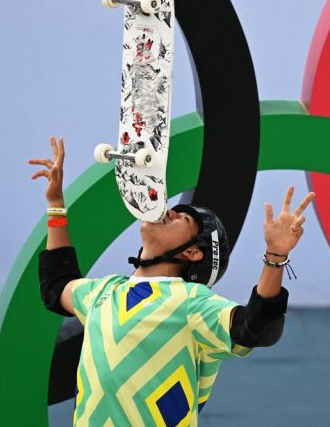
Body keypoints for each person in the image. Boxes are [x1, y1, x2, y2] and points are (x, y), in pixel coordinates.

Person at [30, 136, 314, 426]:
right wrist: (55, 205)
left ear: (192, 252)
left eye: (182, 219)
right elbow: (55, 285)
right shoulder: (104, 291)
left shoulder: (191, 302)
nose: (167, 210)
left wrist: (276, 254)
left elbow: (256, 329)